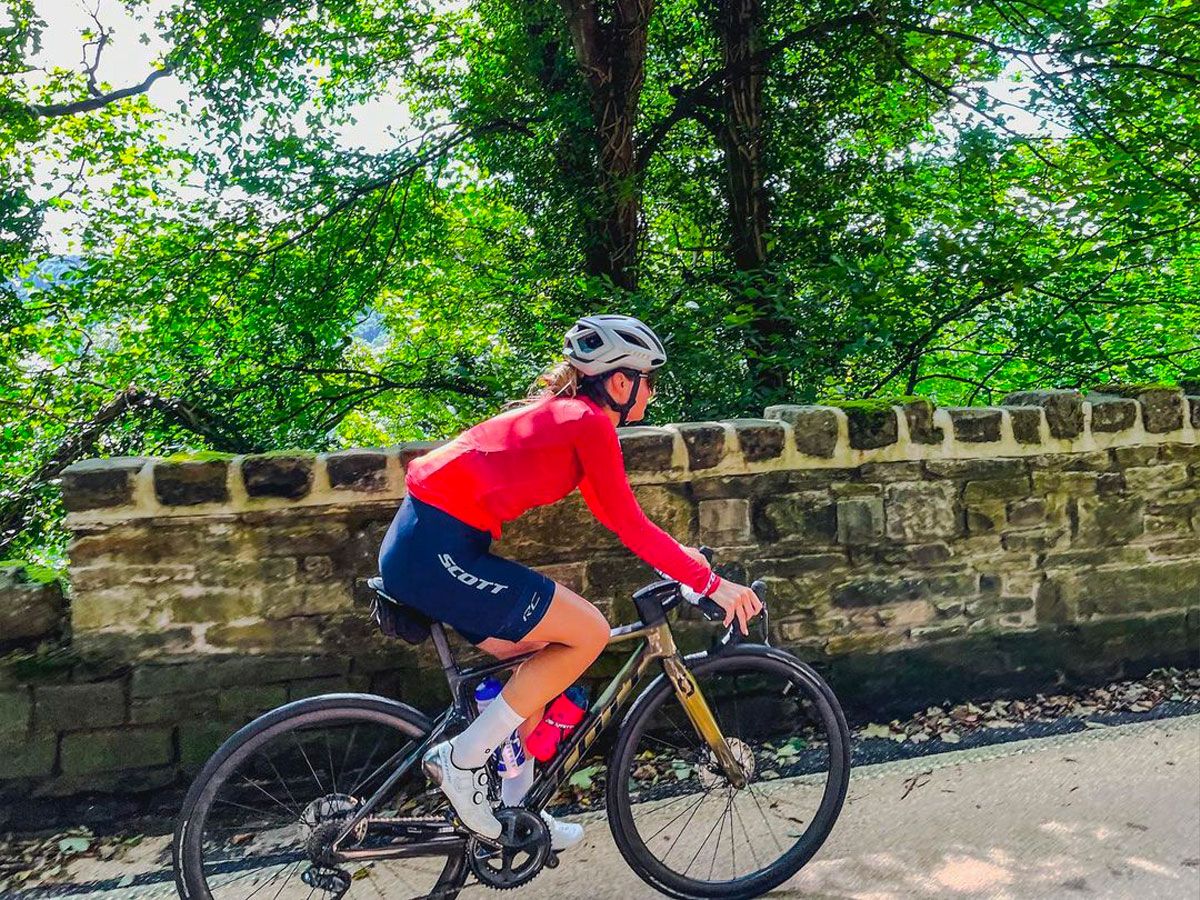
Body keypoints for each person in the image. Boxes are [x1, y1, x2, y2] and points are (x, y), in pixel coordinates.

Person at [376, 314, 763, 848]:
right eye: (648, 380)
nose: (651, 393)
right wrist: (710, 582)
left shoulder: (568, 416)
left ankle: (513, 816)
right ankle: (461, 761)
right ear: (620, 382)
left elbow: (620, 518)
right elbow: (628, 522)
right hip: (435, 550)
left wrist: (686, 565)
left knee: (543, 662)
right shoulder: (587, 422)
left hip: (430, 544)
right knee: (589, 632)